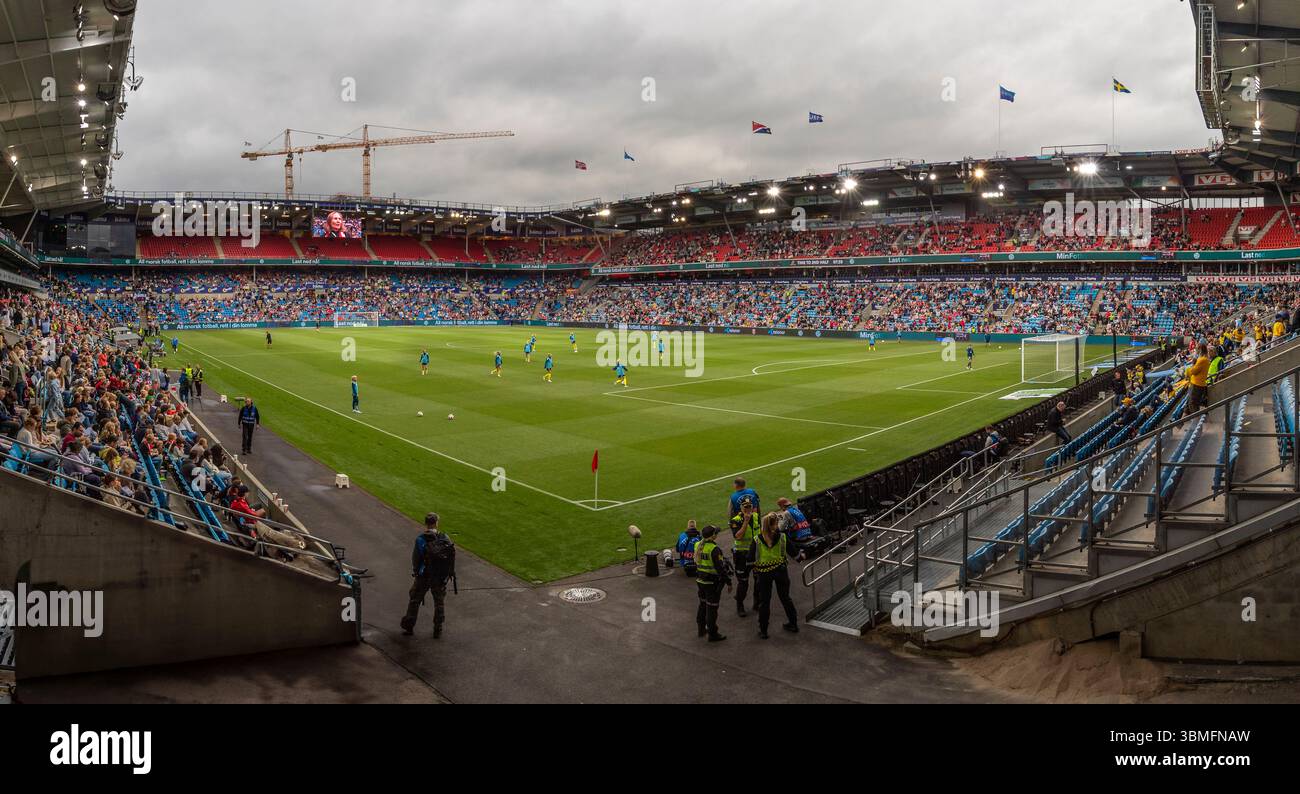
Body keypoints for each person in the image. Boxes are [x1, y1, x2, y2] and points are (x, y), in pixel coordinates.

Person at [401, 512, 457, 638]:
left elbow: (416, 559)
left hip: (424, 575)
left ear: (426, 523)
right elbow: (450, 556)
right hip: (439, 576)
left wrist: (416, 572)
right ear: (436, 522)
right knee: (439, 602)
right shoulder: (444, 537)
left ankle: (409, 626)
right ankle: (438, 628)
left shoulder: (420, 539)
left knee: (415, 600)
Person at [751, 512, 799, 639]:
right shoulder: (782, 537)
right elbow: (795, 554)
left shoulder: (756, 540)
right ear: (775, 524)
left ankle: (763, 631)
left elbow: (749, 559)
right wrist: (801, 556)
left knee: (764, 602)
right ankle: (793, 624)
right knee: (785, 598)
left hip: (763, 574)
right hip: (781, 571)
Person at [694, 524, 731, 642]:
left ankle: (701, 628)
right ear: (713, 536)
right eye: (716, 533)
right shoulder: (714, 549)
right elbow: (721, 569)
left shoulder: (697, 545)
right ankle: (712, 633)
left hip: (700, 580)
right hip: (712, 583)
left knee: (702, 605)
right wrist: (729, 582)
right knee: (712, 609)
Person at [729, 498, 759, 617]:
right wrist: (746, 522)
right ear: (740, 508)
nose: (747, 509)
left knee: (758, 580)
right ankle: (740, 604)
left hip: (756, 553)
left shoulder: (756, 516)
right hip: (742, 555)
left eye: (749, 506)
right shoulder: (735, 520)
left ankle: (757, 602)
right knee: (743, 583)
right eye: (745, 506)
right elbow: (738, 536)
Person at [1186, 343, 1210, 413]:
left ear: (1200, 350)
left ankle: (1195, 420)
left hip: (1197, 384)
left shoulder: (1202, 360)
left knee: (1193, 403)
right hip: (1196, 383)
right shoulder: (1203, 359)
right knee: (1189, 403)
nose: (1195, 350)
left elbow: (1193, 371)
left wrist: (1192, 365)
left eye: (1197, 349)